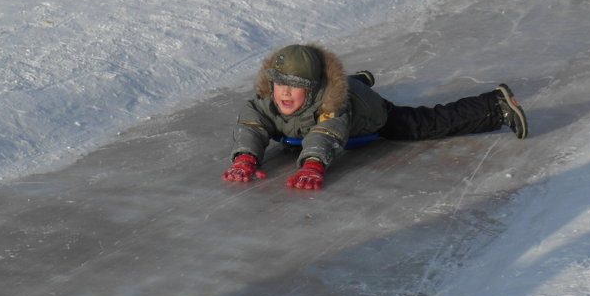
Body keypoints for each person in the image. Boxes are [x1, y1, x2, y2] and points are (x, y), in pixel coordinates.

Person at [222, 43, 527, 191]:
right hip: (342, 96)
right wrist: (245, 157)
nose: (284, 94)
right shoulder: (268, 100)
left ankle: (494, 105)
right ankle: (359, 79)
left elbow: (326, 134)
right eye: (279, 85)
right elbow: (251, 123)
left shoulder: (333, 105)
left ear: (314, 88)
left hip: (368, 113)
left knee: (421, 125)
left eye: (295, 87)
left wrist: (313, 164)